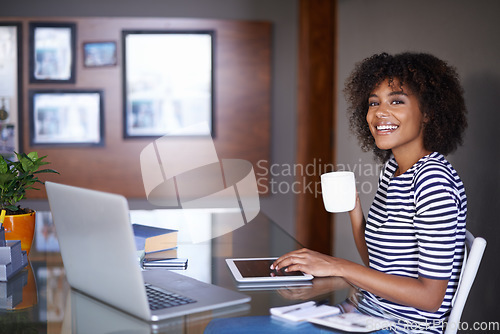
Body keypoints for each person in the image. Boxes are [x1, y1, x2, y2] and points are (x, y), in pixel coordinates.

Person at [272, 52, 468, 333]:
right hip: (366, 312)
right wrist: (354, 210)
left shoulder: (433, 181)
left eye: (396, 101)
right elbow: (378, 264)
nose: (379, 112)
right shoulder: (394, 169)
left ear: (428, 113)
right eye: (373, 102)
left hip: (402, 328)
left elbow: (430, 298)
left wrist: (338, 266)